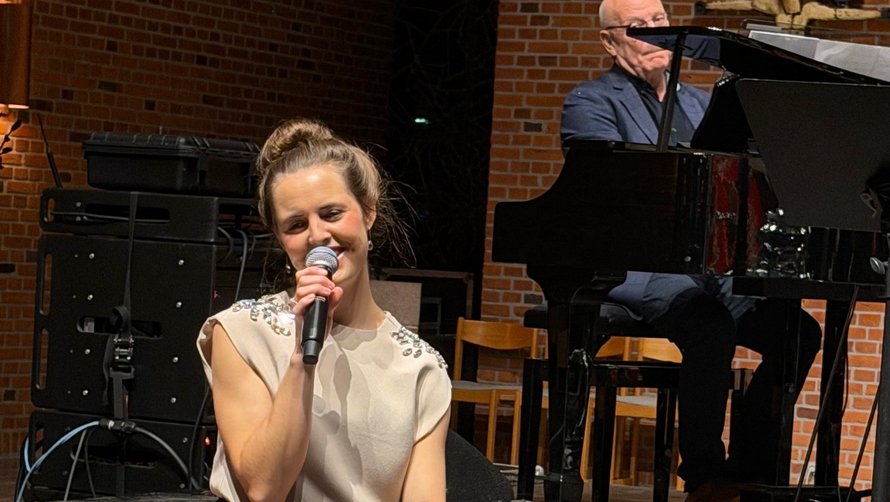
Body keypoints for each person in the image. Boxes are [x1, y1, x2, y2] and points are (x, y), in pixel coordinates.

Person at [559, 1, 822, 501]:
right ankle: (704, 474)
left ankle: (751, 469)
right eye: (638, 26)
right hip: (635, 266)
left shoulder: (703, 104)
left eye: (659, 21)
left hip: (703, 267)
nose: (655, 33)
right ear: (608, 41)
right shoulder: (591, 101)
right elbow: (607, 188)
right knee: (710, 323)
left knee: (798, 332)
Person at [196, 118, 451, 501]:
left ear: (368, 212)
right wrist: (302, 358)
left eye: (331, 214)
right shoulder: (241, 333)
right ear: (280, 239)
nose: (317, 235)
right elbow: (264, 488)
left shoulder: (419, 368)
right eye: (296, 225)